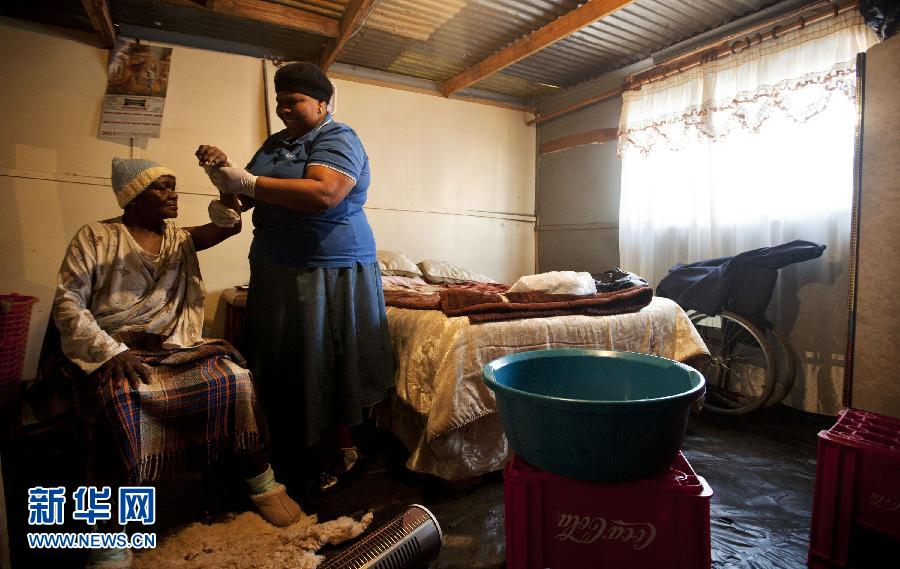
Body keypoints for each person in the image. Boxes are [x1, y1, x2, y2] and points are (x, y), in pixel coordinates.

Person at [51, 158, 302, 568]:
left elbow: (228, 224)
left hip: (176, 346)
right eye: (162, 189)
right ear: (133, 196)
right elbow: (68, 301)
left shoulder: (178, 239)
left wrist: (223, 180)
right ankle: (109, 533)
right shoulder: (95, 237)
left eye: (173, 187)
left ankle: (262, 482)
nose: (173, 195)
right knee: (120, 403)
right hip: (117, 349)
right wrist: (111, 352)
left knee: (237, 380)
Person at [195, 62, 395, 493]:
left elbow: (324, 193)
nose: (285, 109)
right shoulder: (275, 144)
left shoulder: (338, 138)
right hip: (274, 263)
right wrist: (223, 175)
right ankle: (287, 442)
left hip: (327, 267)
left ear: (323, 103)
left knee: (324, 354)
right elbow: (246, 194)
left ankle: (342, 446)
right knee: (282, 355)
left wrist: (247, 181)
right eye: (280, 101)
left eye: (296, 101)